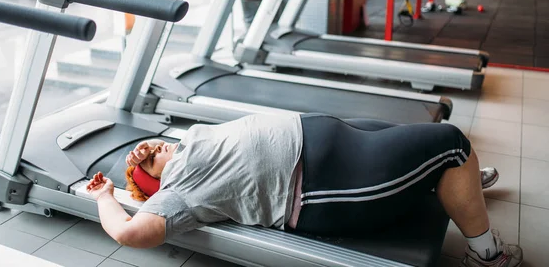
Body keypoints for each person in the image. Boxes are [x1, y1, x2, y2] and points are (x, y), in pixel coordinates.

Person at [86, 113, 523, 267]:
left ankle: (454, 182)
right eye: (145, 161)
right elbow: (128, 233)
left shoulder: (188, 143)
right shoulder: (175, 193)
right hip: (319, 182)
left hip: (329, 137)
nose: (147, 151)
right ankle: (488, 256)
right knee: (450, 142)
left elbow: (161, 145)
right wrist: (107, 194)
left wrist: (148, 149)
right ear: (153, 183)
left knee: (417, 139)